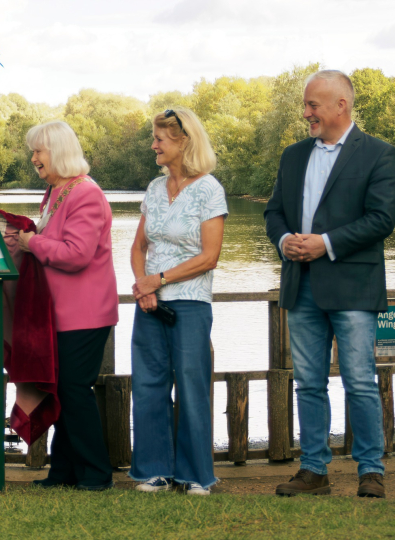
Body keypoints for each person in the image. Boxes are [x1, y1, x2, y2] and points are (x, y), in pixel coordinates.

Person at [264, 70, 395, 498]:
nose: (306, 113)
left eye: (312, 105)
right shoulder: (292, 155)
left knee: (359, 381)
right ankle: (314, 471)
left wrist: (324, 243)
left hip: (354, 287)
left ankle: (370, 471)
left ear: (341, 105)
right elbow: (273, 213)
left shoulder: (379, 153)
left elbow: (382, 219)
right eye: (305, 105)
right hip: (300, 284)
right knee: (308, 382)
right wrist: (284, 240)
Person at [129, 108, 227, 496]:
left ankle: (195, 475)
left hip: (189, 303)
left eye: (159, 139)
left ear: (183, 141)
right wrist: (144, 287)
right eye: (154, 138)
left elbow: (210, 256)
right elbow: (138, 247)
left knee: (191, 387)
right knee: (148, 385)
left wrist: (160, 280)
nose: (153, 145)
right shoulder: (154, 188)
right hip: (150, 304)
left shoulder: (209, 190)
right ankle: (155, 471)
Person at [16, 120, 118, 491]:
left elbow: (76, 255)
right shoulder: (55, 191)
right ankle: (64, 473)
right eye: (33, 151)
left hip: (85, 313)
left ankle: (97, 475)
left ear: (57, 151)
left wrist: (31, 243)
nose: (33, 158)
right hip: (60, 314)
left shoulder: (85, 193)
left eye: (38, 151)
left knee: (73, 390)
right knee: (62, 391)